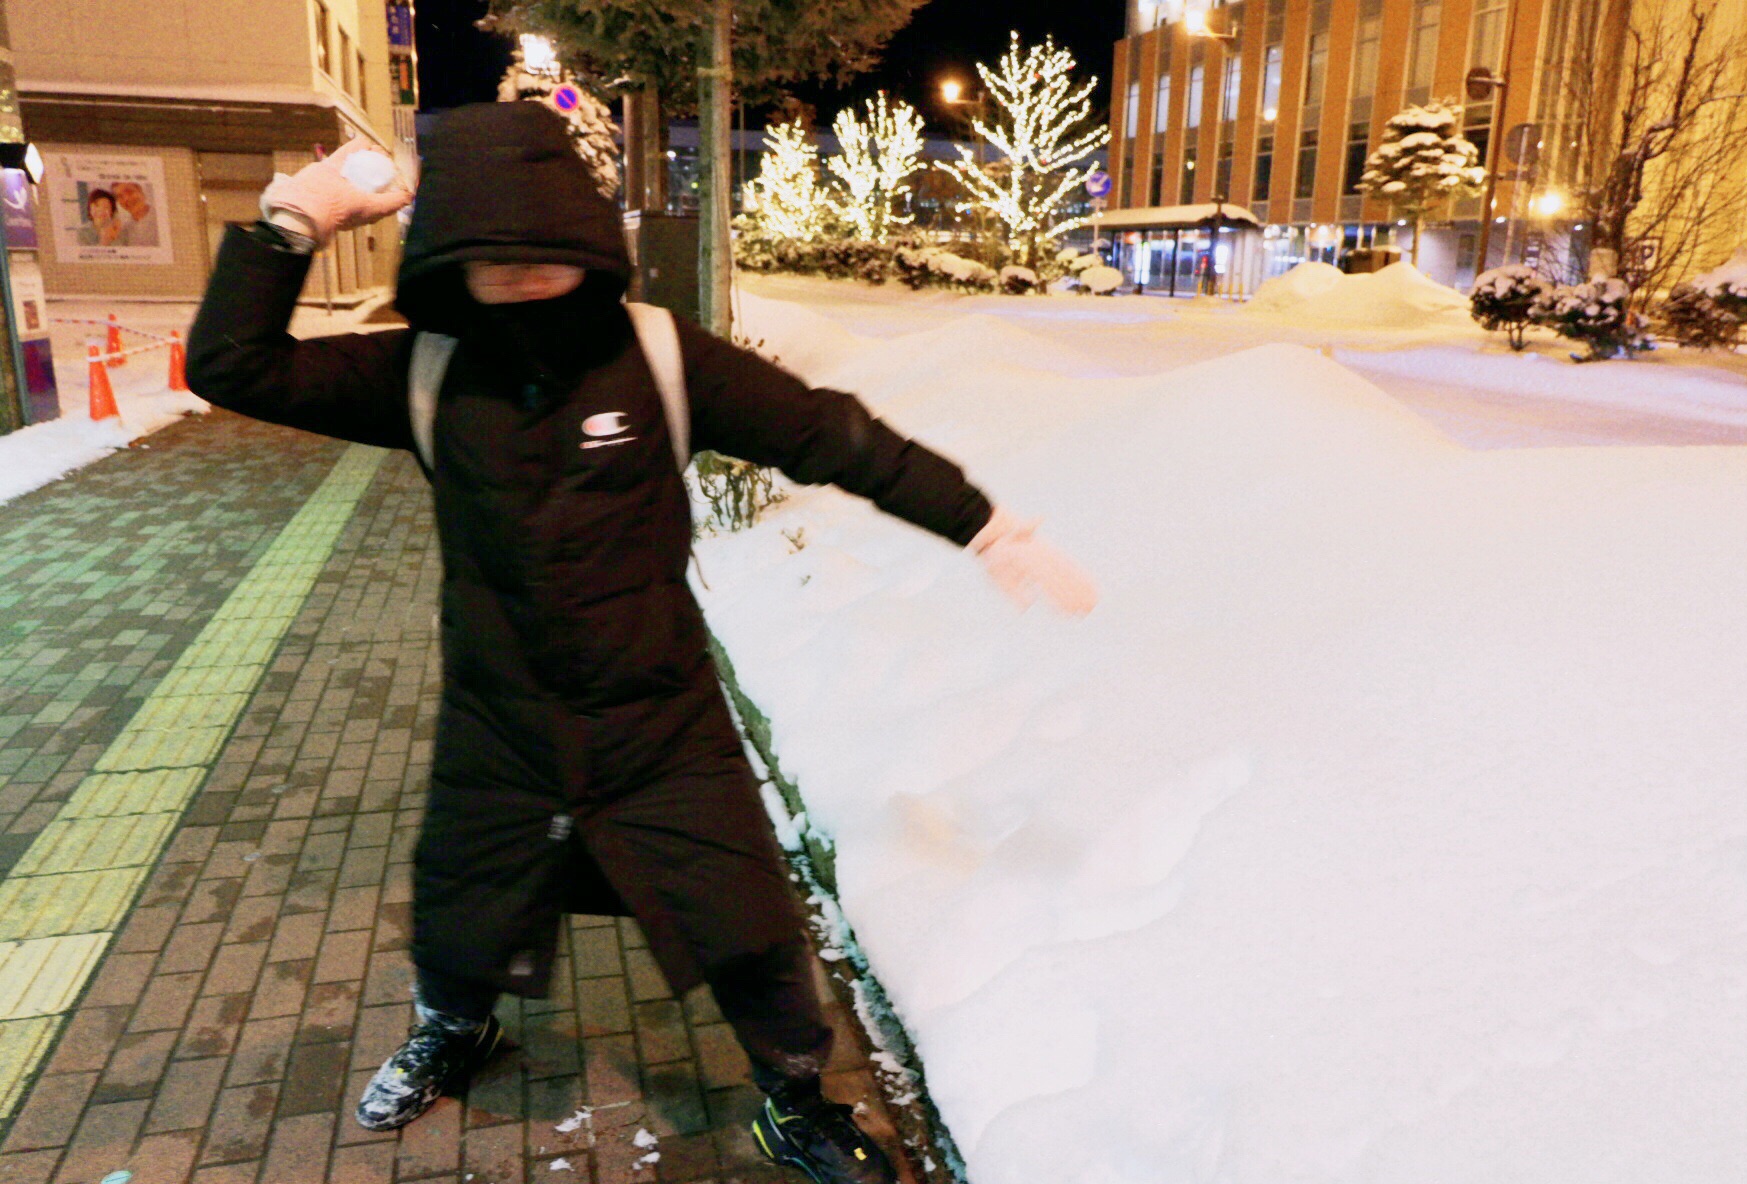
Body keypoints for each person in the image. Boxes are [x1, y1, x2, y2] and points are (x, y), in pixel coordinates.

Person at [186, 104, 1094, 1184]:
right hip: (502, 715)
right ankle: (455, 1023)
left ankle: (794, 1099)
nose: (519, 274)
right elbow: (232, 366)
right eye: (491, 255)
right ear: (451, 259)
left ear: (580, 237)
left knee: (748, 920)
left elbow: (828, 431)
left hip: (660, 712)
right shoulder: (426, 371)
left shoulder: (663, 358)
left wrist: (980, 521)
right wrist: (290, 224)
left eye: (540, 251)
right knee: (463, 903)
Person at [112, 181, 160, 248]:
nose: (126, 199)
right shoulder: (126, 228)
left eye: (130, 192)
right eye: (120, 196)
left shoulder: (160, 219)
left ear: (141, 192)